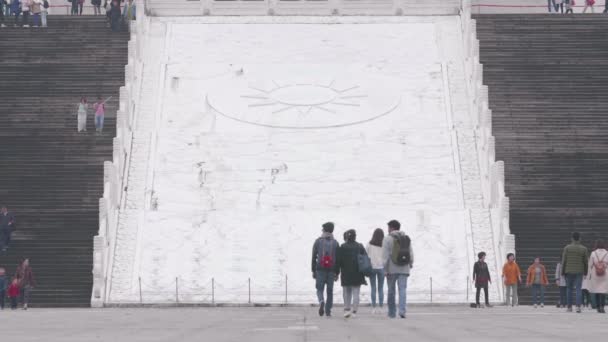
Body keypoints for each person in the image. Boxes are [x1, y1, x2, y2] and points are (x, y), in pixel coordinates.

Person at [382, 219, 413, 319]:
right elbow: (410, 252)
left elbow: (385, 256)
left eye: (388, 227)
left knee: (391, 291)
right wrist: (411, 263)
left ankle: (391, 312)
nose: (387, 229)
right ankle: (402, 311)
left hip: (391, 269)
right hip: (404, 268)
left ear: (391, 228)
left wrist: (384, 269)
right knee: (402, 289)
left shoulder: (387, 239)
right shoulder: (406, 238)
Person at [336, 229, 367, 318]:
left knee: (346, 292)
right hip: (358, 273)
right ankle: (354, 311)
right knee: (356, 292)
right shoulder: (360, 246)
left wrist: (337, 272)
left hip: (346, 273)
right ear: (355, 237)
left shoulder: (342, 247)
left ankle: (347, 309)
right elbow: (365, 259)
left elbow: (339, 261)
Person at [311, 222, 339, 318]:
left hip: (320, 269)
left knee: (319, 289)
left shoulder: (318, 241)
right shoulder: (335, 243)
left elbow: (314, 256)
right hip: (331, 270)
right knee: (329, 291)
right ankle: (328, 311)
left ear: (325, 230)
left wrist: (313, 270)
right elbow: (338, 259)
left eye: (322, 229)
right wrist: (337, 272)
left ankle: (321, 301)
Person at [561, 231, 589, 313]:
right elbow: (585, 262)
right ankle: (578, 307)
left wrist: (562, 272)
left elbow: (564, 261)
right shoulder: (584, 249)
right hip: (579, 271)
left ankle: (569, 307)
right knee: (578, 289)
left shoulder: (567, 248)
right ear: (580, 238)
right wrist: (586, 272)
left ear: (572, 238)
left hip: (568, 271)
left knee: (569, 289)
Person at [366, 228, 384, 314]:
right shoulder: (384, 244)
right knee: (380, 288)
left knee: (373, 288)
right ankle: (381, 307)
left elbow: (366, 254)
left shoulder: (369, 244)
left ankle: (373, 307)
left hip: (372, 268)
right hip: (381, 268)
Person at [587, 239, 608, 313]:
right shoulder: (607, 253)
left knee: (596, 290)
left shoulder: (593, 253)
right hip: (605, 273)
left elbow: (590, 265)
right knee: (603, 291)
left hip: (595, 274)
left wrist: (589, 275)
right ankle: (602, 306)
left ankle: (598, 307)